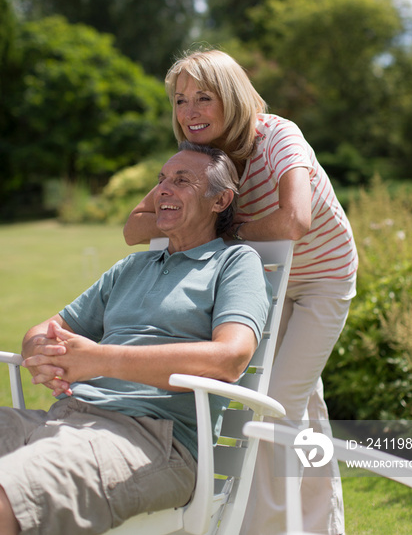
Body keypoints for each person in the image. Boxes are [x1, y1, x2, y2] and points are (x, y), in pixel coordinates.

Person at [124, 49, 359, 535]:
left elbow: (295, 220)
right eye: (180, 100)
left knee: (272, 411)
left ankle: (263, 529)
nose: (188, 112)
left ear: (231, 98)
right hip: (271, 284)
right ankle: (322, 528)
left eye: (203, 98)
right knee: (299, 410)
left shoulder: (279, 136)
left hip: (321, 281)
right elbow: (135, 228)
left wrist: (220, 229)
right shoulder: (205, 160)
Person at [0, 142, 272, 535]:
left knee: (9, 494)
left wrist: (101, 360)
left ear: (221, 200)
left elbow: (230, 358)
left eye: (181, 181)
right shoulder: (133, 266)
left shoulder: (234, 263)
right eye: (161, 180)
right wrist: (41, 350)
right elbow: (46, 329)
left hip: (153, 442)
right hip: (67, 420)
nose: (163, 189)